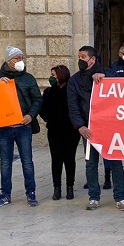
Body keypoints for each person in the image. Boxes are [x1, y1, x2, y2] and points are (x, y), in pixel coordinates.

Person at [67, 45, 124, 211]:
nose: (80, 60)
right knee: (91, 164)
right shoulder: (74, 81)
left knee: (116, 163)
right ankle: (94, 197)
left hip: (109, 128)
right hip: (88, 130)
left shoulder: (108, 73)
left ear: (92, 59)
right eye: (78, 57)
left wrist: (106, 77)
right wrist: (80, 126)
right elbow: (73, 106)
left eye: (83, 57)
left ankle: (120, 197)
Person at [0, 46, 43, 207]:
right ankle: (5, 194)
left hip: (23, 127)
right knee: (5, 162)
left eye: (22, 58)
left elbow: (37, 100)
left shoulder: (28, 78)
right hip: (4, 127)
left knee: (27, 161)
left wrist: (30, 115)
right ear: (8, 60)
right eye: (17, 58)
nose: (20, 61)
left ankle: (31, 192)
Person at [39, 64, 80, 200]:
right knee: (56, 160)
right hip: (54, 131)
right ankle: (57, 187)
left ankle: (70, 187)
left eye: (53, 75)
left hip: (70, 131)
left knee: (69, 159)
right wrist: (48, 119)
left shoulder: (72, 91)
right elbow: (42, 109)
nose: (51, 78)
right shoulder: (49, 92)